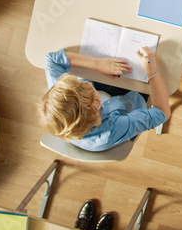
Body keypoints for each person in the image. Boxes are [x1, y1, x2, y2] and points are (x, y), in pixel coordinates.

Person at [38, 46, 171, 151]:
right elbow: (162, 113)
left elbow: (52, 60)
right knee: (163, 67)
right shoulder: (111, 131)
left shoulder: (60, 97)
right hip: (128, 105)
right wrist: (152, 71)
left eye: (80, 83)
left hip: (103, 102)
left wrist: (97, 64)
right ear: (95, 108)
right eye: (90, 90)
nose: (88, 83)